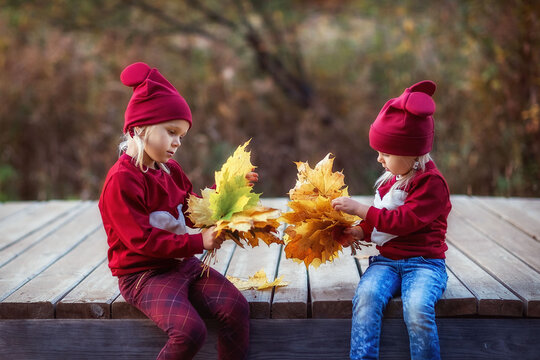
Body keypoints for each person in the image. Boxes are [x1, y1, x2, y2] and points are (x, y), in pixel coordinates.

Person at [99, 62, 254, 360]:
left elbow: (195, 209)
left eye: (181, 135)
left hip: (183, 265)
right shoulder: (122, 180)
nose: (177, 142)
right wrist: (199, 242)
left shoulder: (170, 171)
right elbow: (142, 241)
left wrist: (231, 190)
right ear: (140, 128)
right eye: (171, 132)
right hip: (144, 275)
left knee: (236, 307)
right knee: (189, 331)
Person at [332, 80, 451, 360]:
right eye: (378, 152)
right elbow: (380, 221)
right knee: (366, 298)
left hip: (424, 264)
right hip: (387, 261)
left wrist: (360, 209)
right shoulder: (390, 182)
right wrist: (359, 232)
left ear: (412, 153)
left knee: (417, 308)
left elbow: (401, 222)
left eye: (386, 153)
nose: (379, 159)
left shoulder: (431, 184)